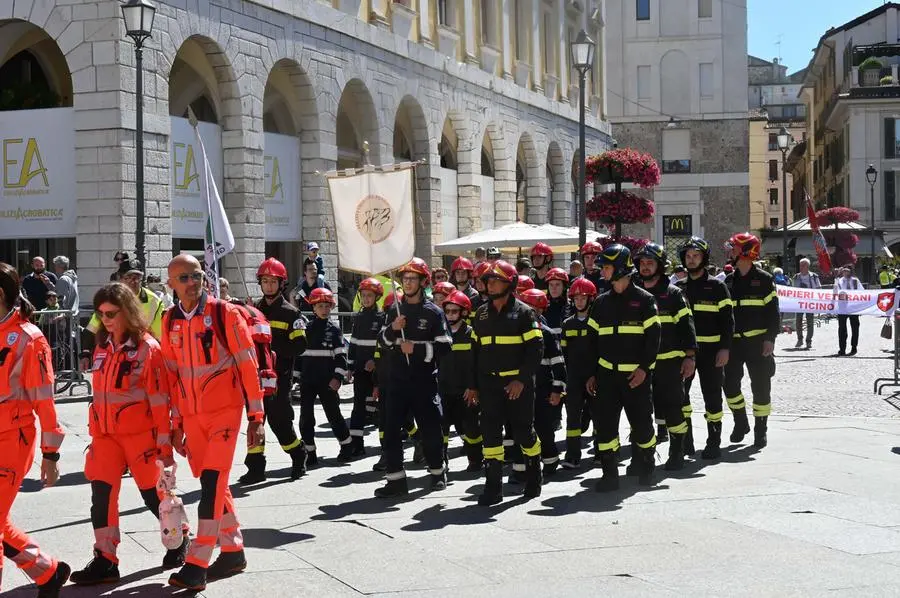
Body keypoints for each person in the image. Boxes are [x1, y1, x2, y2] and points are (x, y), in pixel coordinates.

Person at [69, 283, 189, 585]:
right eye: (100, 313)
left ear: (128, 312)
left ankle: (181, 538)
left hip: (140, 437)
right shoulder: (102, 344)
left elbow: (161, 400)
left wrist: (164, 444)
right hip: (105, 436)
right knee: (102, 498)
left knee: (154, 497)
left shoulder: (149, 348)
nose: (105, 319)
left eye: (111, 313)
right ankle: (106, 560)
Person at [161, 255, 264, 590]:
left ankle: (198, 563)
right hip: (191, 417)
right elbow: (172, 377)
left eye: (197, 275)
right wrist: (175, 423)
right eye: (185, 278)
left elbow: (248, 365)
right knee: (214, 483)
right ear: (171, 284)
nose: (193, 282)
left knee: (211, 484)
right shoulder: (169, 320)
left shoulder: (224, 313)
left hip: (225, 411)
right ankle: (233, 551)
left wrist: (257, 415)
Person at [0, 262, 70, 597]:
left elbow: (45, 401)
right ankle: (48, 571)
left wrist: (51, 453)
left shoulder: (29, 338)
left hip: (13, 441)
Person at [586, 244, 660, 491]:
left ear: (619, 269)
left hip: (635, 377)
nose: (602, 272)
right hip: (607, 376)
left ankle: (647, 465)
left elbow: (653, 339)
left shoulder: (645, 300)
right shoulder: (601, 302)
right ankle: (609, 474)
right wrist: (592, 374)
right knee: (605, 426)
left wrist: (644, 370)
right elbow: (591, 342)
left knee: (642, 424)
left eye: (605, 267)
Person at [375, 259, 451, 497]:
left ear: (422, 282)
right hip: (397, 380)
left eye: (412, 279)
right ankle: (396, 480)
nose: (407, 283)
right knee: (390, 430)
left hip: (424, 381)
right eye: (405, 279)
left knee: (430, 430)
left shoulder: (434, 313)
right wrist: (393, 329)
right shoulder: (394, 310)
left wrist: (416, 350)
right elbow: (382, 343)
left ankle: (438, 472)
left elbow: (446, 348)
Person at [471, 260, 544, 506]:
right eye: (488, 281)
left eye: (495, 281)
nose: (490, 286)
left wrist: (521, 380)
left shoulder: (525, 313)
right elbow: (474, 352)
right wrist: (473, 385)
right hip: (489, 386)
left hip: (517, 387)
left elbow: (536, 350)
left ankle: (534, 474)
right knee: (490, 435)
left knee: (524, 432)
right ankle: (493, 486)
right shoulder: (480, 313)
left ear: (510, 284)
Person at [243, 258, 308, 483]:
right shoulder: (253, 310)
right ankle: (255, 468)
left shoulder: (292, 314)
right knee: (255, 421)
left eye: (273, 281)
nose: (269, 285)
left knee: (280, 423)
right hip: (254, 378)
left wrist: (270, 344)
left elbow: (300, 346)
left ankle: (299, 455)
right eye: (265, 281)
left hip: (280, 379)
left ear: (282, 284)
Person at [635, 243, 697, 471]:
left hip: (669, 362)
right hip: (641, 363)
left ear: (660, 266)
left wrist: (690, 356)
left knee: (673, 408)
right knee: (640, 411)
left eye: (650, 263)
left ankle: (677, 451)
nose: (645, 267)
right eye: (642, 263)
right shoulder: (634, 294)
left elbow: (686, 326)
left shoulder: (674, 294)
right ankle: (642, 457)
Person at [677, 237, 733, 459]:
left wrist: (725, 349)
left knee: (712, 397)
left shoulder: (718, 287)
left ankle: (713, 441)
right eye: (688, 256)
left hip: (712, 352)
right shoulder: (678, 288)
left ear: (704, 258)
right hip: (686, 354)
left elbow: (728, 321)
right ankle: (686, 441)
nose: (691, 260)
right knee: (682, 397)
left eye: (696, 256)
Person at [723, 233, 779, 449]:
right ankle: (740, 421)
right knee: (729, 385)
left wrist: (769, 339)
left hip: (758, 344)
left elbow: (773, 314)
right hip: (734, 344)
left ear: (746, 252)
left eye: (734, 248)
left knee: (761, 387)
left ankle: (760, 429)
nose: (731, 252)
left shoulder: (764, 280)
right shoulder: (728, 281)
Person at [299, 288, 353, 465]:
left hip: (327, 382)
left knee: (334, 415)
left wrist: (338, 378)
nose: (324, 309)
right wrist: (296, 378)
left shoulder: (335, 330)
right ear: (313, 308)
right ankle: (310, 452)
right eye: (320, 306)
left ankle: (346, 446)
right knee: (306, 418)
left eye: (326, 306)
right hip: (307, 381)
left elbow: (341, 358)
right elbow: (300, 357)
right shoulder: (306, 329)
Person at [518, 288, 566, 476]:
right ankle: (522, 469)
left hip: (543, 390)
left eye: (530, 308)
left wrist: (557, 390)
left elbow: (559, 365)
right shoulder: (518, 332)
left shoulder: (547, 333)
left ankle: (551, 461)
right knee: (522, 430)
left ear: (539, 310)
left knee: (544, 429)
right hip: (523, 389)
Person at [438, 290, 482, 473]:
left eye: (454, 311)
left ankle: (475, 460)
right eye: (447, 311)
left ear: (464, 312)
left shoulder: (472, 334)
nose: (450, 315)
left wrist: (473, 387)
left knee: (471, 429)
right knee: (442, 430)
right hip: (442, 390)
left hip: (466, 391)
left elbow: (478, 364)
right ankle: (441, 462)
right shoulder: (439, 333)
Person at [559, 277, 596, 469]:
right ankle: (572, 455)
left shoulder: (597, 323)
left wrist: (596, 375)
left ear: (591, 299)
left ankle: (601, 452)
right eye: (576, 298)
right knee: (572, 417)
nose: (579, 301)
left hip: (594, 377)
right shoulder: (567, 324)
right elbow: (564, 353)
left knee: (599, 415)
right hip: (573, 378)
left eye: (583, 298)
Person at [347, 277, 386, 457]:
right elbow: (353, 343)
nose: (366, 299)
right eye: (363, 296)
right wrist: (349, 366)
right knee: (358, 406)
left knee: (383, 407)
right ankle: (357, 444)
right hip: (361, 370)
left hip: (379, 371)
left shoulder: (382, 317)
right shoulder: (359, 317)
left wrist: (375, 362)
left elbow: (385, 345)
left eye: (369, 296)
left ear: (377, 297)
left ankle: (386, 446)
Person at [86, 260, 165, 341]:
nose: (133, 282)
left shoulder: (154, 301)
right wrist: (86, 350)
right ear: (120, 279)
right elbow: (93, 328)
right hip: (112, 345)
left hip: (139, 345)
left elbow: (158, 334)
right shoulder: (109, 297)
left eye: (136, 278)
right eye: (127, 278)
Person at [791, 258, 821, 349]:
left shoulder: (814, 276)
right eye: (800, 265)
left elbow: (819, 289)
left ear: (808, 266)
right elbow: (792, 290)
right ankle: (800, 339)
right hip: (799, 302)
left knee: (810, 322)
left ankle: (808, 341)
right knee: (798, 321)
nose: (801, 267)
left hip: (810, 302)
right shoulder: (796, 277)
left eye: (803, 265)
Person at [834, 266, 862, 356]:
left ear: (851, 272)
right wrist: (835, 283)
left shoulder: (855, 281)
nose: (845, 273)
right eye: (844, 271)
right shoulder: (839, 281)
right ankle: (842, 349)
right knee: (842, 328)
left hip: (853, 308)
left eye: (847, 271)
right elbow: (835, 292)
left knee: (855, 328)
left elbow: (862, 293)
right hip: (842, 307)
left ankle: (854, 347)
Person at [543, 267, 571, 337]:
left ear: (564, 287)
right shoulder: (543, 307)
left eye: (557, 284)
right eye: (551, 285)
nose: (553, 288)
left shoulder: (572, 307)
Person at [51, 256, 78, 322]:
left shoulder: (63, 279)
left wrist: (61, 314)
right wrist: (49, 284)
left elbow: (61, 298)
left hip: (63, 318)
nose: (54, 268)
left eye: (55, 265)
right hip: (71, 315)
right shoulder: (71, 278)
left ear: (59, 266)